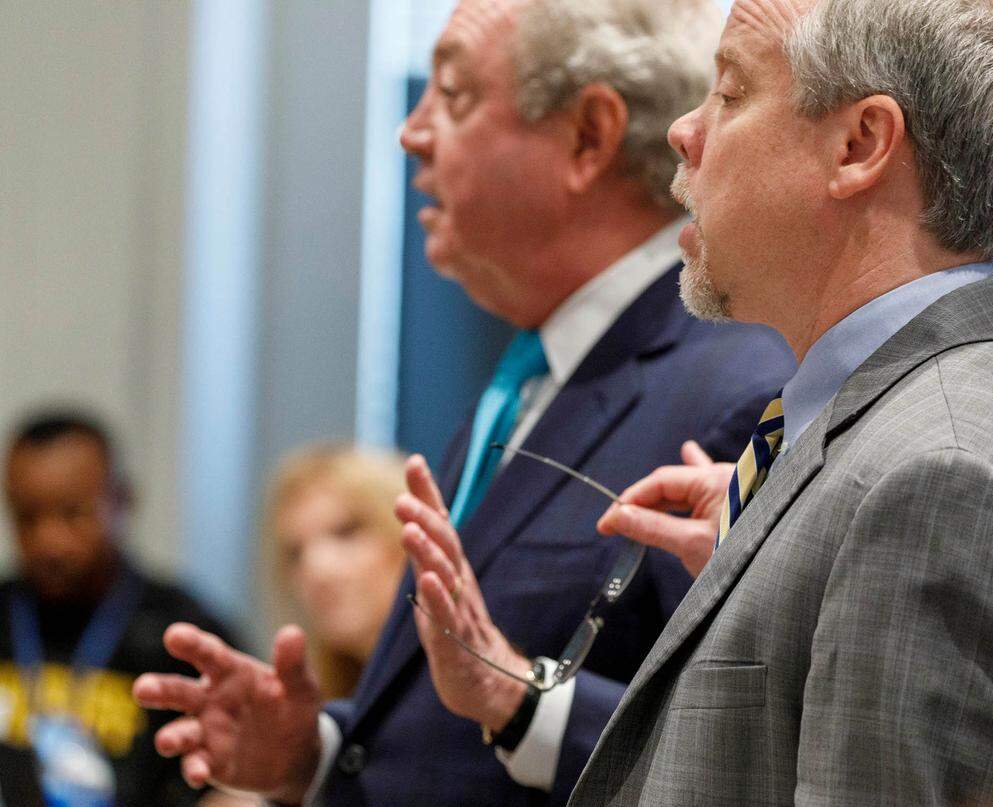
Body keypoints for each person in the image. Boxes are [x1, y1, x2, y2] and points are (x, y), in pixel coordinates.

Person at [132, 0, 796, 804]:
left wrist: (523, 701)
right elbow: (450, 727)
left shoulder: (737, 391)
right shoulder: (534, 373)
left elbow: (750, 760)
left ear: (588, 136)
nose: (411, 133)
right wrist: (317, 753)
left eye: (452, 96)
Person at [569, 0, 993, 804]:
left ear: (859, 144)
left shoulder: (937, 481)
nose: (684, 132)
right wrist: (769, 543)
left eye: (731, 93)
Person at [0, 411, 242, 807]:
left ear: (122, 500)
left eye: (72, 513)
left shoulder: (185, 634)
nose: (49, 540)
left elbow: (234, 783)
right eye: (28, 517)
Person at [263, 444, 407, 699]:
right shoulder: (319, 714)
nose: (316, 569)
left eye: (345, 532)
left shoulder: (473, 694)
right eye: (296, 553)